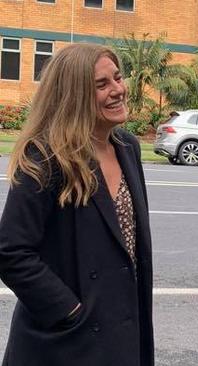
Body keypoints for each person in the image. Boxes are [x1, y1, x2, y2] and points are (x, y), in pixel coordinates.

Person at [0, 43, 154, 366]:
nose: (118, 90)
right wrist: (68, 310)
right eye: (102, 84)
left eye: (118, 77)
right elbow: (10, 251)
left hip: (121, 334)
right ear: (74, 94)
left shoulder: (128, 148)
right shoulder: (45, 157)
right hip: (63, 346)